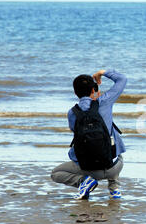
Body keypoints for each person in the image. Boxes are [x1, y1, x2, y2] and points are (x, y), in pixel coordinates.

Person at [51, 69, 127, 200]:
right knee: (112, 141)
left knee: (55, 173)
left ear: (75, 93)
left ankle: (84, 182)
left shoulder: (72, 113)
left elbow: (77, 135)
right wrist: (102, 72)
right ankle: (114, 188)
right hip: (114, 167)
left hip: (88, 169)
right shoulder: (104, 102)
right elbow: (122, 79)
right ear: (94, 90)